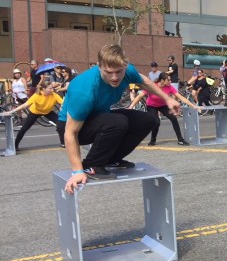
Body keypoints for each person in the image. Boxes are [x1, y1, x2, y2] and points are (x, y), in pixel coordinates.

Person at [59, 45, 181, 193]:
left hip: (100, 117)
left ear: (125, 65)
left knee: (149, 120)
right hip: (71, 126)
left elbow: (144, 81)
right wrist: (77, 171)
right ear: (99, 67)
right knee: (117, 122)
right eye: (108, 72)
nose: (115, 77)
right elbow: (70, 133)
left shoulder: (128, 71)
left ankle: (111, 159)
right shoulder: (84, 90)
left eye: (119, 72)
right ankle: (92, 165)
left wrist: (167, 99)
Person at [129, 73, 197, 146]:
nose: (170, 81)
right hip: (151, 106)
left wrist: (193, 105)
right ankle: (153, 140)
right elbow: (139, 97)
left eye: (170, 80)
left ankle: (180, 140)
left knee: (174, 118)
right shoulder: (152, 86)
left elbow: (181, 97)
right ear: (162, 80)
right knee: (156, 122)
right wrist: (131, 106)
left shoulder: (169, 87)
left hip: (163, 105)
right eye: (168, 80)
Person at [1, 81, 64, 151]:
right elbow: (25, 105)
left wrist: (62, 106)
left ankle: (63, 142)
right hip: (35, 112)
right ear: (44, 89)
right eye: (50, 88)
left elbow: (63, 103)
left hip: (48, 112)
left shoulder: (54, 95)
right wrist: (11, 111)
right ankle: (15, 146)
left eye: (52, 88)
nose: (52, 90)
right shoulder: (37, 95)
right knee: (24, 128)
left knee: (60, 125)